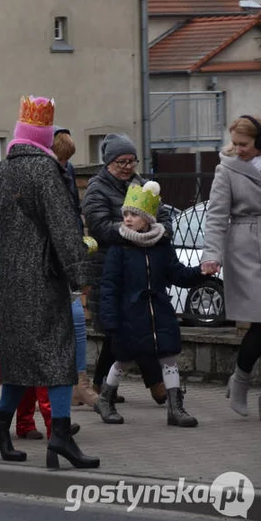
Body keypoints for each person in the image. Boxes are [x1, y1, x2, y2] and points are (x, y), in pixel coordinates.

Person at [0, 96, 97, 470]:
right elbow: (64, 230)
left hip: (6, 277)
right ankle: (60, 436)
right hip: (41, 277)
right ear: (45, 137)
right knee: (58, 355)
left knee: (20, 359)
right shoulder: (45, 171)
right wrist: (81, 276)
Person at [94, 181, 203, 427]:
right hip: (129, 315)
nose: (128, 219)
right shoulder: (119, 248)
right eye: (126, 214)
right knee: (123, 359)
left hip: (159, 312)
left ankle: (176, 409)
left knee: (169, 358)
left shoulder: (161, 245)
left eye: (134, 215)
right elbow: (110, 286)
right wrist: (110, 319)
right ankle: (105, 399)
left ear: (148, 218)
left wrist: (202, 272)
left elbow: (178, 274)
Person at [83, 133, 169, 405]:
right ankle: (157, 385)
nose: (127, 166)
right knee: (129, 327)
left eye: (132, 160)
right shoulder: (97, 188)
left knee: (122, 330)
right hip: (111, 267)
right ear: (109, 162)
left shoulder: (143, 185)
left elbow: (162, 215)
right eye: (121, 161)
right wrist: (134, 231)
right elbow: (99, 226)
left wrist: (155, 230)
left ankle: (100, 387)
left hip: (140, 269)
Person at [201, 115, 261, 419]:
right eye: (236, 144)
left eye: (245, 144)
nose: (239, 149)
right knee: (260, 321)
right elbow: (216, 215)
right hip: (245, 249)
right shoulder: (226, 169)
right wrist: (211, 255)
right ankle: (240, 379)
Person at [52, 129, 96, 408]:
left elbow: (72, 212)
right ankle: (46, 392)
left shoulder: (65, 171)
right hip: (46, 259)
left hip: (66, 254)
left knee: (77, 319)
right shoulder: (41, 172)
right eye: (62, 160)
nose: (65, 166)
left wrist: (79, 249)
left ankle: (80, 382)